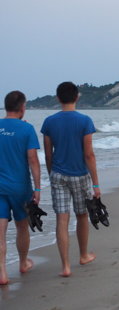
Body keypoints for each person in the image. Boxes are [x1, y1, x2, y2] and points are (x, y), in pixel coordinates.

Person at [41, 82, 100, 277]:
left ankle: (65, 266)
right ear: (77, 97)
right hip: (80, 175)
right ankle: (83, 255)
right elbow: (89, 154)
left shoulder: (49, 122)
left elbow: (48, 155)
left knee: (62, 219)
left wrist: (52, 174)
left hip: (58, 174)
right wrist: (96, 183)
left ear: (58, 98)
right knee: (82, 215)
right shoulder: (85, 121)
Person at [0, 91, 41, 285]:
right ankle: (23, 262)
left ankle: (2, 273)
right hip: (20, 187)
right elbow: (33, 160)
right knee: (21, 227)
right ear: (22, 108)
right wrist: (38, 188)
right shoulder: (27, 129)